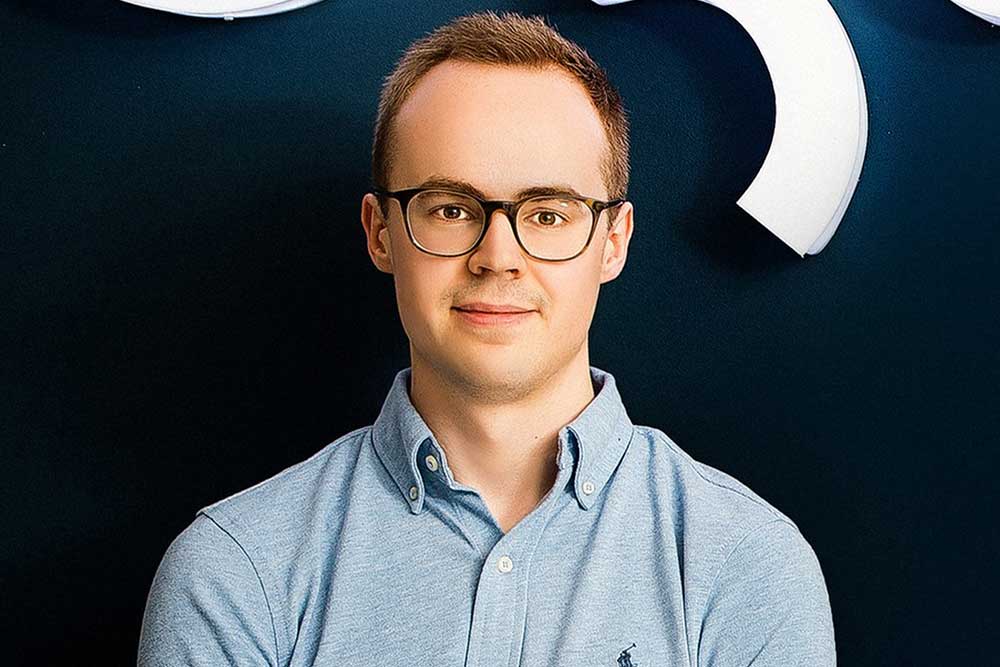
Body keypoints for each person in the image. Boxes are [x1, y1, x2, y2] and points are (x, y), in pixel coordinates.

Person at [137, 10, 835, 666]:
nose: (498, 257)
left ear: (613, 242)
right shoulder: (237, 573)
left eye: (549, 214)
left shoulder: (746, 567)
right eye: (450, 209)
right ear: (380, 233)